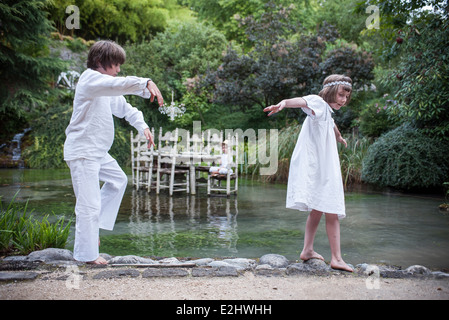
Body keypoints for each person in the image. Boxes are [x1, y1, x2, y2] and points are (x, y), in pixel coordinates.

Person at [64, 40, 164, 265]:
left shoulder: (104, 87)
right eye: (116, 64)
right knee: (87, 205)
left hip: (97, 152)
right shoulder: (90, 80)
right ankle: (86, 255)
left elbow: (125, 108)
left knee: (118, 180)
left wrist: (144, 126)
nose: (118, 69)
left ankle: (93, 226)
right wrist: (145, 82)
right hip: (83, 151)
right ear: (100, 62)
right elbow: (120, 84)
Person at [263, 74, 353, 272]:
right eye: (340, 95)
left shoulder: (325, 111)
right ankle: (337, 258)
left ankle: (307, 249)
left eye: (346, 97)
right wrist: (284, 103)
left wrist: (338, 137)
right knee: (332, 209)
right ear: (330, 91)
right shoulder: (318, 102)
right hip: (321, 168)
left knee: (317, 209)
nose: (344, 100)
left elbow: (330, 124)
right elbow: (302, 101)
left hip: (321, 167)